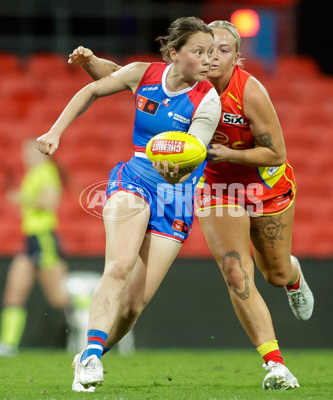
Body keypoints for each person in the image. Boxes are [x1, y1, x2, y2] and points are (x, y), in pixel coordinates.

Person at [68, 20, 314, 390]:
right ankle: (275, 364)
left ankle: (292, 276)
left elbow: (277, 153)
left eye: (222, 50)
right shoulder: (181, 80)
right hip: (215, 186)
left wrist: (227, 153)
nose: (212, 57)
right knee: (235, 271)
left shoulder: (248, 92)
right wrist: (91, 61)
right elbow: (124, 77)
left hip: (262, 183)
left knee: (275, 273)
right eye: (205, 49)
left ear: (237, 58)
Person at [37, 16, 221, 392]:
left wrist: (177, 172)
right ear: (174, 54)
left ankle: (93, 352)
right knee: (119, 267)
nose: (208, 60)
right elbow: (94, 88)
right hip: (134, 178)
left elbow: (193, 156)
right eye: (198, 51)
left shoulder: (208, 101)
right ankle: (89, 357)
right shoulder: (145, 73)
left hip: (177, 194)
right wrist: (55, 131)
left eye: (212, 52)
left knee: (134, 305)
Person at [0, 138, 71, 358]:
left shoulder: (46, 171)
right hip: (30, 239)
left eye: (32, 153)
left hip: (43, 237)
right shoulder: (32, 174)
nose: (28, 157)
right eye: (26, 153)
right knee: (14, 291)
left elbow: (49, 202)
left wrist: (22, 198)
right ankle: (7, 344)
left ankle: (97, 327)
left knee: (59, 298)